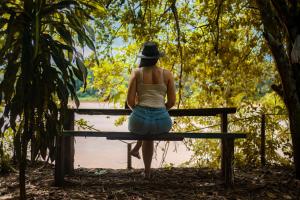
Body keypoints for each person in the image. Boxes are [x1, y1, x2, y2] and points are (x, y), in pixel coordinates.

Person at [127, 42, 176, 179]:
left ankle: (146, 171)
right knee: (150, 132)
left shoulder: (137, 73)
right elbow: (171, 102)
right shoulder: (167, 74)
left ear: (143, 57)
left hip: (139, 121)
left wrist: (141, 112)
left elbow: (130, 102)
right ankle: (147, 171)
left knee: (145, 128)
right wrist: (159, 111)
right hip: (162, 122)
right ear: (157, 57)